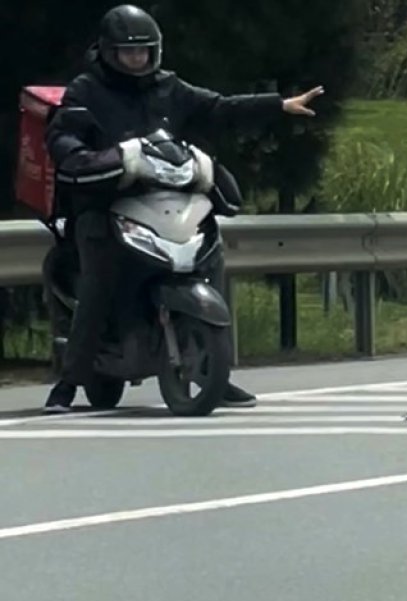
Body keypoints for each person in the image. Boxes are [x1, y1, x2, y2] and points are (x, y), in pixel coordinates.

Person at [41, 4, 325, 413]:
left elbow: (219, 107)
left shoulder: (168, 87)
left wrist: (278, 105)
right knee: (100, 278)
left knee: (210, 258)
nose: (137, 59)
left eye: (144, 52)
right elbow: (63, 137)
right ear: (107, 52)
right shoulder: (87, 91)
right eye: (127, 52)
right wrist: (89, 158)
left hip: (166, 199)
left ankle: (214, 371)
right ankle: (68, 385)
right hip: (105, 202)